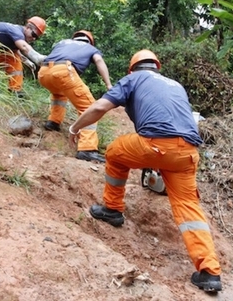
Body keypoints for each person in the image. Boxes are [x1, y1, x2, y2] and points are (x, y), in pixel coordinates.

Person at [68, 49, 223, 292]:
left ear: (132, 69)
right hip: (189, 153)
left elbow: (99, 108)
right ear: (156, 67)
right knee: (187, 205)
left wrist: (75, 127)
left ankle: (112, 209)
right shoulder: (175, 85)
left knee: (115, 153)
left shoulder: (133, 79)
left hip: (156, 145)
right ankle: (209, 272)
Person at [38, 30, 112, 163]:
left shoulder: (62, 43)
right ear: (89, 41)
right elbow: (99, 60)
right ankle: (87, 149)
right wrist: (108, 85)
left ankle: (53, 122)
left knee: (58, 94)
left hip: (43, 73)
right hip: (64, 70)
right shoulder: (90, 48)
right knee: (90, 107)